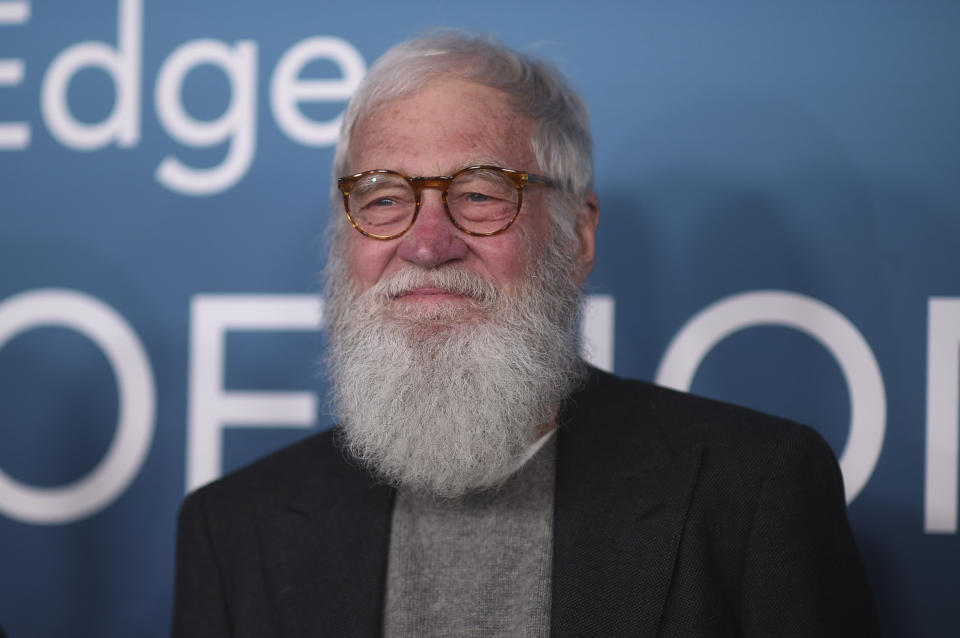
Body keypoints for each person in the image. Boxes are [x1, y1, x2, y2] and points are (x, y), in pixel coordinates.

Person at [172, 31, 880, 638]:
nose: (426, 244)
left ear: (577, 236)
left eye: (479, 194)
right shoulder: (235, 532)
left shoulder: (752, 493)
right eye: (384, 198)